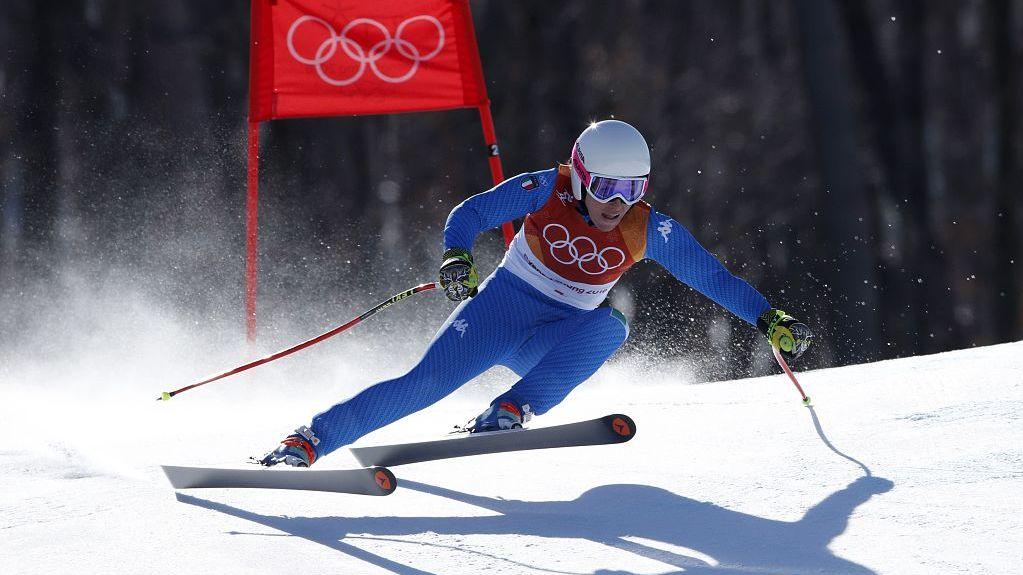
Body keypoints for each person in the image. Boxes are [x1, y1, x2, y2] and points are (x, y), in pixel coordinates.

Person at [260, 120, 812, 467]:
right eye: (606, 187)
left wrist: (769, 319)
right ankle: (308, 441)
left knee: (611, 326)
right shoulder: (546, 188)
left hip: (553, 339)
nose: (617, 203)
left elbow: (713, 278)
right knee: (423, 385)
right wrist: (457, 257)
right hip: (500, 311)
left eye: (633, 191)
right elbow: (470, 213)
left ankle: (511, 408)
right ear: (579, 174)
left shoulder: (646, 230)